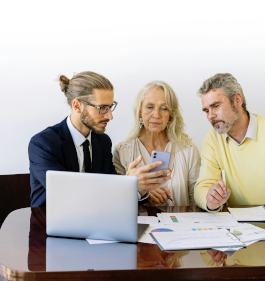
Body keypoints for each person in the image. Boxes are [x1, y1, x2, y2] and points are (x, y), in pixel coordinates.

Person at [28, 71, 171, 207]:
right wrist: (128, 184)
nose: (110, 116)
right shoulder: (43, 144)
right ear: (77, 106)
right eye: (102, 108)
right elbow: (68, 196)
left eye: (110, 107)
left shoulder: (103, 142)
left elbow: (113, 196)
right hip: (48, 226)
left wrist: (140, 189)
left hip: (96, 224)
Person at [194, 73, 265, 211]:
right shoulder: (212, 139)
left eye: (216, 106)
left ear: (237, 100)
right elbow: (203, 186)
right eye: (206, 110)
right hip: (241, 230)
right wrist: (210, 200)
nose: (210, 116)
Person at [113, 81, 200, 206]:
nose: (156, 115)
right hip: (140, 225)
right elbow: (117, 202)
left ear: (170, 115)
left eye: (164, 108)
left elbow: (196, 200)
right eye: (149, 107)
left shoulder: (188, 149)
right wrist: (140, 191)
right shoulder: (122, 151)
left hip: (179, 223)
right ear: (139, 112)